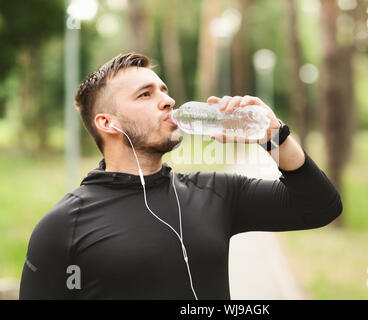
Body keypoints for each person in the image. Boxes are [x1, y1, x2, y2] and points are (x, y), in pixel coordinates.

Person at [19, 52, 342, 300]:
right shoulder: (63, 224)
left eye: (164, 90)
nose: (168, 100)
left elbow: (320, 207)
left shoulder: (215, 192)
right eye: (145, 94)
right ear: (108, 123)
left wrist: (275, 138)